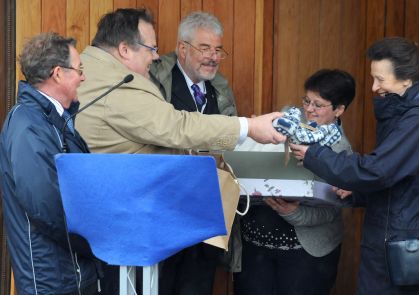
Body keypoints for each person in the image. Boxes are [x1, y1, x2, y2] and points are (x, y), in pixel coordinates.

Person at [74, 7, 284, 294]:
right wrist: (248, 126)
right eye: (151, 48)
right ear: (124, 49)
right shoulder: (119, 83)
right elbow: (175, 126)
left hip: (183, 221)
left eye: (218, 49)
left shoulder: (93, 68)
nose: (156, 55)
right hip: (135, 223)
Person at [290, 37, 419, 294]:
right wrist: (358, 192)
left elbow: (377, 170)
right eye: (373, 78)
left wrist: (314, 155)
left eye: (381, 79)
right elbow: (396, 177)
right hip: (391, 237)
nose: (374, 87)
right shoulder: (405, 113)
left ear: (406, 79)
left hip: (399, 245)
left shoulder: (417, 121)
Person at [234, 69, 356, 295]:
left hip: (306, 256)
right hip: (254, 247)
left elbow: (333, 209)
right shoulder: (283, 122)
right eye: (306, 101)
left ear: (339, 109)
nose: (308, 109)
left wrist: (294, 213)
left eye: (318, 105)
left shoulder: (341, 151)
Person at [0, 33, 100, 295]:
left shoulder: (57, 120)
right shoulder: (28, 125)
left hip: (71, 272)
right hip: (51, 280)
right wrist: (98, 240)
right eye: (79, 69)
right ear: (58, 73)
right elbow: (48, 207)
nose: (83, 77)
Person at [149, 12, 238, 295]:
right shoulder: (155, 83)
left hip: (206, 213)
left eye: (218, 50)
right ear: (182, 48)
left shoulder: (220, 89)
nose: (213, 57)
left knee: (198, 285)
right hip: (164, 210)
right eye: (205, 48)